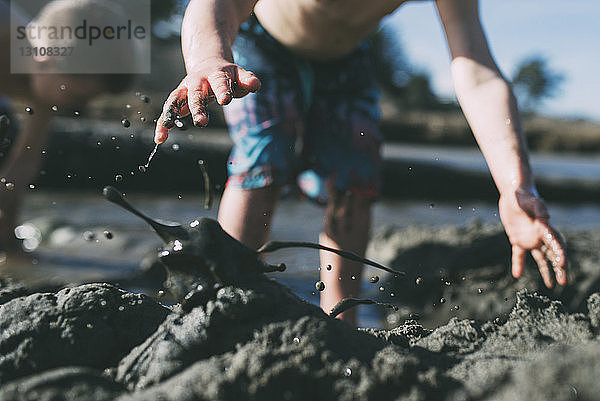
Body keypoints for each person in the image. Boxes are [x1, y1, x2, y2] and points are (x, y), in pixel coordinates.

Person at [154, 0, 567, 325]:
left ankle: (340, 317)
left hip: (346, 58)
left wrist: (516, 185)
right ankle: (225, 298)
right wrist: (208, 58)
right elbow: (219, 3)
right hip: (259, 45)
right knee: (263, 161)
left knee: (355, 179)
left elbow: (477, 72)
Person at [0, 0, 138, 258]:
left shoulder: (43, 83)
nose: (78, 107)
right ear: (45, 60)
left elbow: (25, 159)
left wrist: (9, 243)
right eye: (76, 97)